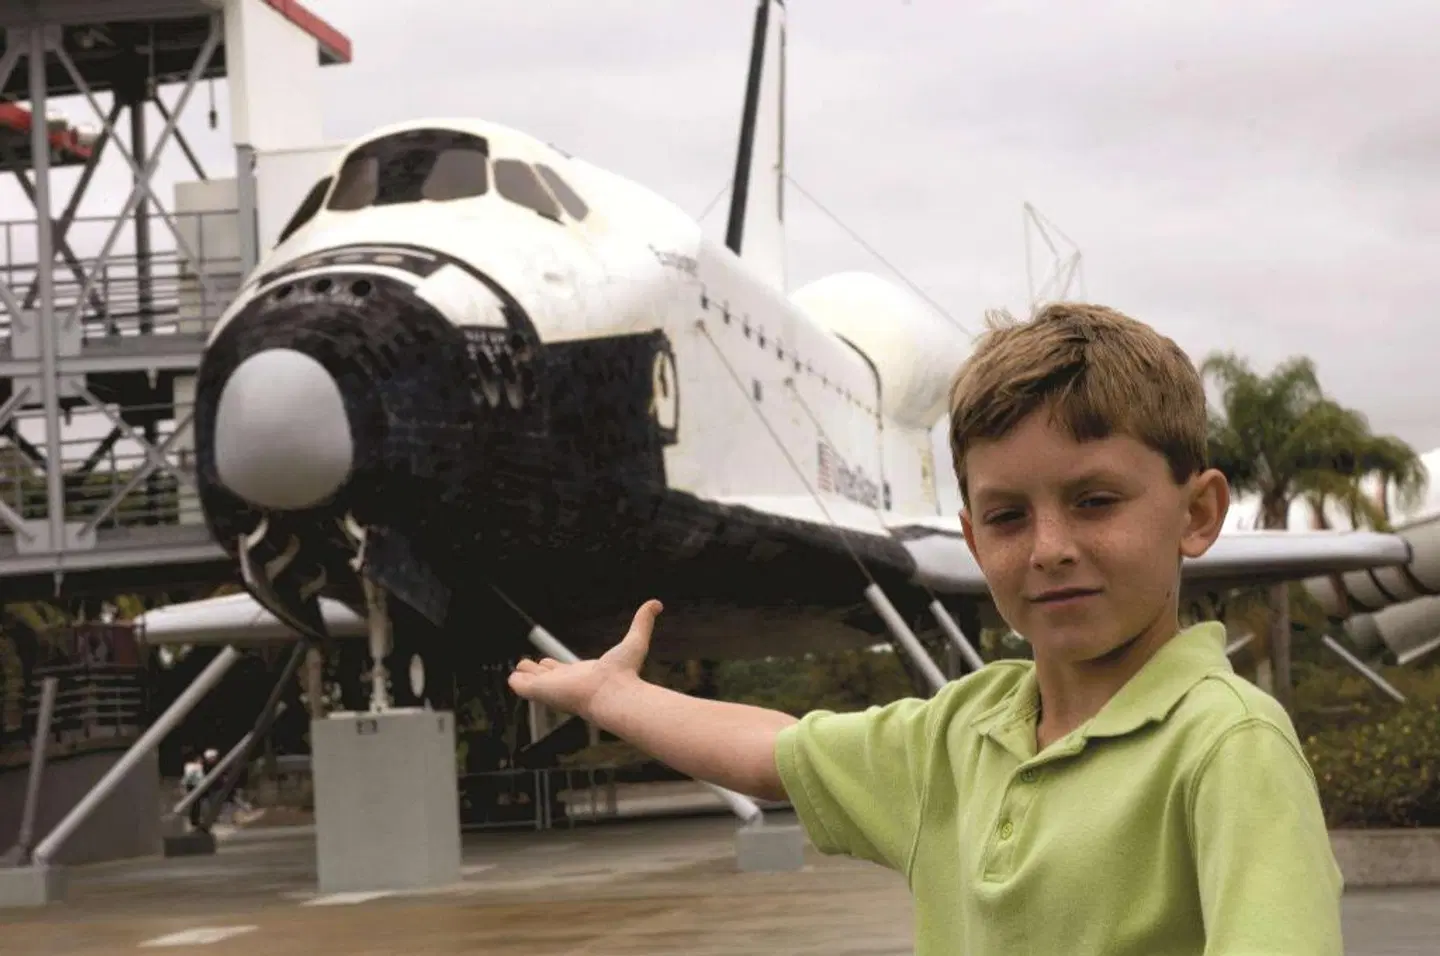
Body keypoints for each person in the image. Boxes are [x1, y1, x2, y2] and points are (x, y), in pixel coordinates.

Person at [508, 303, 1343, 954]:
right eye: (1008, 517)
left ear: (1196, 514)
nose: (1050, 549)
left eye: (1094, 501)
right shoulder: (960, 733)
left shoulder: (1227, 746)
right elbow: (771, 754)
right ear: (974, 540)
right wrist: (615, 694)